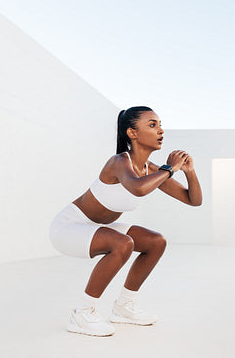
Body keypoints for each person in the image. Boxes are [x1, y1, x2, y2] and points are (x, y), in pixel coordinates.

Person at [49, 106, 202, 337]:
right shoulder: (119, 162)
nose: (160, 130)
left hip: (99, 227)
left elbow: (194, 200)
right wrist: (170, 169)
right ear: (132, 133)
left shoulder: (151, 169)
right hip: (69, 227)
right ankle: (83, 313)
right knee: (123, 243)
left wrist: (189, 171)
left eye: (160, 124)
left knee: (155, 241)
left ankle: (123, 307)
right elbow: (138, 189)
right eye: (152, 125)